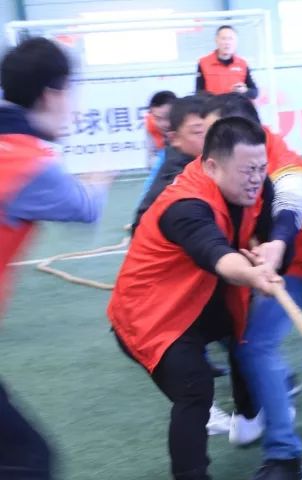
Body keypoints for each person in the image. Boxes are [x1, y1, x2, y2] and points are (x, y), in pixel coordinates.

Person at [108, 117, 284, 480]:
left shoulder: (256, 184)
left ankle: (248, 414)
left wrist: (274, 248)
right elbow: (215, 253)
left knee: (249, 338)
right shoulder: (185, 205)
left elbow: (270, 226)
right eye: (247, 170)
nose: (256, 178)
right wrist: (254, 274)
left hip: (203, 297)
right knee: (194, 387)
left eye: (261, 168)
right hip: (151, 314)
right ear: (212, 166)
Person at [202, 93, 302, 480]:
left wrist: (277, 243)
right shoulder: (224, 158)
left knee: (255, 344)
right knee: (223, 321)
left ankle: (286, 456)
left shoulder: (288, 169)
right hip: (255, 259)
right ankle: (275, 381)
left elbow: (289, 207)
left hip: (301, 269)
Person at [0, 37, 110, 479]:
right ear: (52, 94)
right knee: (28, 461)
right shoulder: (30, 164)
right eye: (71, 91)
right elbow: (86, 208)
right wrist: (99, 180)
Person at [133, 95, 207, 232]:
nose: (211, 137)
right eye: (199, 132)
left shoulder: (199, 159)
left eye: (214, 129)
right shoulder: (178, 176)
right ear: (174, 137)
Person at [196, 25, 259, 98]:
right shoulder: (204, 63)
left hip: (236, 105)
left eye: (230, 39)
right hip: (214, 105)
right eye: (223, 38)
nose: (227, 42)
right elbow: (199, 93)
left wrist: (245, 91)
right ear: (216, 40)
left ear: (236, 42)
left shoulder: (242, 64)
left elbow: (255, 92)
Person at [144, 90, 176, 167]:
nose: (163, 124)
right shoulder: (151, 127)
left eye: (167, 117)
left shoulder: (187, 126)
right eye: (157, 118)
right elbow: (150, 161)